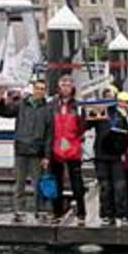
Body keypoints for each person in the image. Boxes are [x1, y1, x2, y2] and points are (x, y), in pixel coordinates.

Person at [0, 79, 53, 222]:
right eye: (37, 88)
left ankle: (40, 210)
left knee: (38, 184)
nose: (39, 91)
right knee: (19, 184)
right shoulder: (21, 105)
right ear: (32, 89)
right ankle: (19, 211)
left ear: (44, 92)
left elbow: (49, 135)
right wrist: (0, 97)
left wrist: (47, 156)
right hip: (21, 150)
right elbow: (4, 112)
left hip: (37, 151)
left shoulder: (48, 110)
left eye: (42, 89)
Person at [48, 75, 89, 224]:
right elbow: (48, 124)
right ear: (59, 86)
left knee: (77, 182)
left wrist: (74, 138)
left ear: (72, 87)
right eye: (63, 84)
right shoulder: (52, 104)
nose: (65, 87)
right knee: (56, 182)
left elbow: (84, 125)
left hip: (73, 147)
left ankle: (82, 213)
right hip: (55, 147)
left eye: (68, 84)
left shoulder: (78, 106)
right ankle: (56, 213)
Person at [94, 91, 128, 227]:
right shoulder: (99, 113)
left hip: (117, 155)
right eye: (106, 98)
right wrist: (88, 112)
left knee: (120, 186)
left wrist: (124, 148)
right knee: (105, 186)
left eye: (111, 98)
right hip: (101, 155)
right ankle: (106, 214)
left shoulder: (122, 114)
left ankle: (122, 214)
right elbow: (85, 126)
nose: (109, 101)